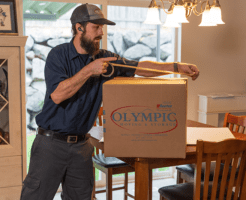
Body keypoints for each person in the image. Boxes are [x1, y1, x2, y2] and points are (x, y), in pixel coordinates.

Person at [20, 3, 199, 200]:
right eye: (96, 27)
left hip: (82, 147)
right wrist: (90, 70)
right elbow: (58, 94)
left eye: (102, 27)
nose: (101, 32)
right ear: (79, 27)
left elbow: (139, 67)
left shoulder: (104, 57)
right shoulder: (58, 55)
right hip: (50, 144)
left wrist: (176, 67)